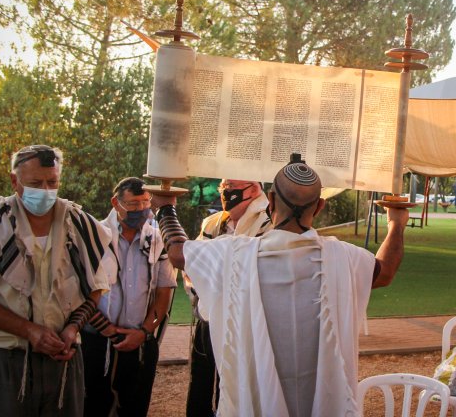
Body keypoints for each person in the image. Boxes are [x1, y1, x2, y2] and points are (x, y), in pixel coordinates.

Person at [154, 154, 409, 416]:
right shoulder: (342, 257)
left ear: (271, 201)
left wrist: (165, 209)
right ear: (319, 206)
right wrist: (396, 225)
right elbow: (385, 270)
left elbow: (177, 252)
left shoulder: (236, 254)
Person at [0, 145, 112, 417]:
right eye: (36, 183)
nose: (46, 190)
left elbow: (95, 289)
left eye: (53, 182)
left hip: (64, 361)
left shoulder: (80, 224)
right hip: (6, 361)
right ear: (15, 181)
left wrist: (73, 329)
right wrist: (29, 331)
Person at [80, 177, 177, 417]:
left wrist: (144, 332)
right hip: (97, 340)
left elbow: (164, 292)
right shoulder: (94, 237)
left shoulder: (157, 240)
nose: (141, 209)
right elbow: (79, 292)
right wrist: (108, 331)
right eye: (133, 204)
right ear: (116, 203)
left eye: (146, 202)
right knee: (93, 406)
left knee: (135, 406)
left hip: (140, 340)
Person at [186, 179, 270, 417]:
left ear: (253, 189)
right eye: (223, 186)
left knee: (232, 382)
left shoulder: (268, 223)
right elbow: (193, 265)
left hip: (242, 321)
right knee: (200, 378)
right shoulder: (211, 223)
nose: (225, 191)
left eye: (231, 185)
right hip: (208, 313)